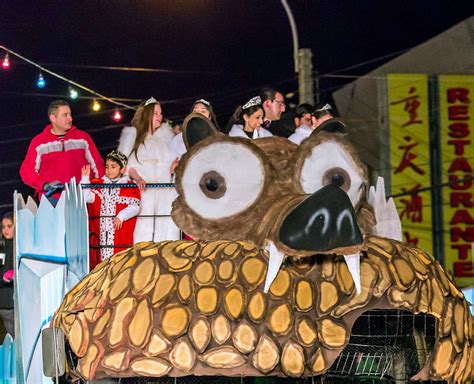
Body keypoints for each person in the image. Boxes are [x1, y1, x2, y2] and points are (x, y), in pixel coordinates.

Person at [117, 97, 179, 242]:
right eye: (156, 113)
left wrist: (172, 168)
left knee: (165, 227)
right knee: (143, 228)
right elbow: (126, 166)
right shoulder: (133, 135)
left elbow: (169, 166)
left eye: (161, 113)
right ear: (147, 114)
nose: (160, 116)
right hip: (143, 190)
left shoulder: (166, 137)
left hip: (164, 190)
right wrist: (138, 178)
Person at [20, 100, 104, 204]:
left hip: (80, 197)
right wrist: (44, 185)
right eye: (65, 115)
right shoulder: (39, 142)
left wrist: (99, 191)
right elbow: (27, 170)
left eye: (70, 114)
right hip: (52, 199)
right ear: (53, 118)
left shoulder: (83, 138)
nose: (70, 118)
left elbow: (97, 165)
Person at [81, 151, 140, 269]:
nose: (109, 170)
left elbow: (135, 206)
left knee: (120, 262)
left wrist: (121, 216)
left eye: (113, 167)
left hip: (118, 232)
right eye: (107, 167)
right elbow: (86, 197)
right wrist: (85, 178)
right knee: (100, 262)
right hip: (101, 232)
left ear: (122, 169)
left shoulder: (129, 186)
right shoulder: (98, 184)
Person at [0, 212, 15, 338]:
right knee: (13, 337)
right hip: (6, 303)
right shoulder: (1, 247)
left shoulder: (22, 246)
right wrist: (4, 278)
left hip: (22, 300)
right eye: (3, 227)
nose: (5, 230)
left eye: (9, 226)